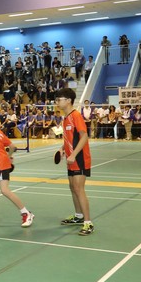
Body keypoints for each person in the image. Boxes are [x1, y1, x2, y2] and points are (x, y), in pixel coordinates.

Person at [54, 87, 94, 235]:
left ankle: (88, 223)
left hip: (80, 158)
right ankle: (78, 216)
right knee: (72, 187)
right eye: (56, 100)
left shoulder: (76, 115)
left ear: (69, 100)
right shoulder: (66, 118)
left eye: (59, 99)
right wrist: (62, 149)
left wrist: (73, 155)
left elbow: (84, 136)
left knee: (79, 188)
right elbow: (69, 139)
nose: (57, 102)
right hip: (71, 158)